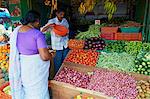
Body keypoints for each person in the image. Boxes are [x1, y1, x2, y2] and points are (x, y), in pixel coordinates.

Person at [9, 10, 52, 99]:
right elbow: (44, 56)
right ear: (36, 21)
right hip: (35, 70)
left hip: (24, 68)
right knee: (39, 92)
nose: (39, 24)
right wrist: (51, 55)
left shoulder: (16, 32)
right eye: (38, 21)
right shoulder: (37, 33)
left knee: (28, 90)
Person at [42, 9, 69, 75]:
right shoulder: (52, 21)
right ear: (57, 13)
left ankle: (65, 76)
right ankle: (58, 77)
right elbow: (42, 30)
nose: (62, 16)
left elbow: (67, 30)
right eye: (61, 14)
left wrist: (66, 34)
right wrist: (49, 26)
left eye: (63, 14)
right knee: (58, 64)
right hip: (57, 47)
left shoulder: (65, 21)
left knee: (66, 63)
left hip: (65, 45)